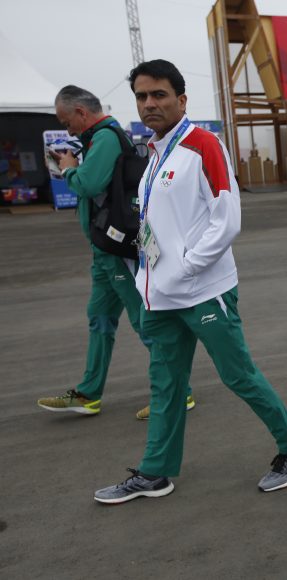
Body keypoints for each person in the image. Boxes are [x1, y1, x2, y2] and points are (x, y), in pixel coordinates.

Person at [93, 60, 287, 504]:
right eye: (141, 96)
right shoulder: (155, 153)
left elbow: (226, 219)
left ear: (181, 99)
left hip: (203, 291)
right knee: (166, 384)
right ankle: (155, 472)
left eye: (159, 95)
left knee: (238, 376)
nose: (149, 104)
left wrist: (189, 265)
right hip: (158, 296)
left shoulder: (203, 144)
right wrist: (151, 276)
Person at [37, 85, 194, 420]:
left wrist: (68, 168)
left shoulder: (106, 137)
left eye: (67, 122)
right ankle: (88, 393)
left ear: (81, 113)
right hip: (103, 250)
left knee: (146, 322)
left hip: (115, 248)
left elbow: (88, 184)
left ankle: (178, 393)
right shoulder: (97, 139)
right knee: (100, 319)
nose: (68, 129)